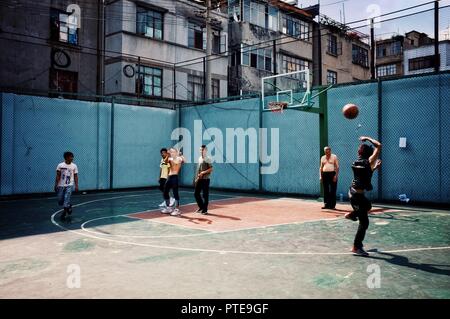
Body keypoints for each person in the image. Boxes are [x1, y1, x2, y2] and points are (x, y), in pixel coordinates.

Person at [345, 136, 382, 257]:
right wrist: (367, 138)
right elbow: (379, 145)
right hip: (357, 196)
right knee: (364, 223)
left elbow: (364, 175)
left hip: (352, 192)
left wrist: (374, 168)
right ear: (369, 154)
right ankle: (356, 247)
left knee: (368, 205)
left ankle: (352, 214)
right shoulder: (369, 161)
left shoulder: (357, 162)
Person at [55, 151, 79, 221]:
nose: (72, 158)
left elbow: (76, 176)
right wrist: (56, 184)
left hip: (69, 185)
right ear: (66, 158)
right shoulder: (60, 165)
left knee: (66, 198)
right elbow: (58, 175)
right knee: (60, 201)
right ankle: (68, 206)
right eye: (71, 157)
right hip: (61, 185)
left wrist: (76, 185)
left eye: (72, 157)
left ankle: (64, 213)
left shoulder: (74, 166)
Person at [161, 148, 185, 216]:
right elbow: (165, 162)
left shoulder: (179, 159)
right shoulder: (170, 158)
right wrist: (168, 155)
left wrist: (180, 155)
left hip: (175, 177)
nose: (172, 153)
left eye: (173, 152)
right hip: (169, 177)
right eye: (171, 152)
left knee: (175, 193)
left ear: (176, 153)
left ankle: (177, 209)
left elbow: (183, 161)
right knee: (165, 192)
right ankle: (168, 208)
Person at [194, 145, 213, 215]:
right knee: (196, 194)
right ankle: (201, 207)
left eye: (203, 150)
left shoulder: (208, 159)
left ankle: (205, 210)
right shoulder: (199, 158)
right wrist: (196, 178)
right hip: (199, 179)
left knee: (205, 195)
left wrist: (203, 172)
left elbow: (211, 169)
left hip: (205, 179)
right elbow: (198, 169)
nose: (201, 151)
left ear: (206, 150)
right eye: (200, 150)